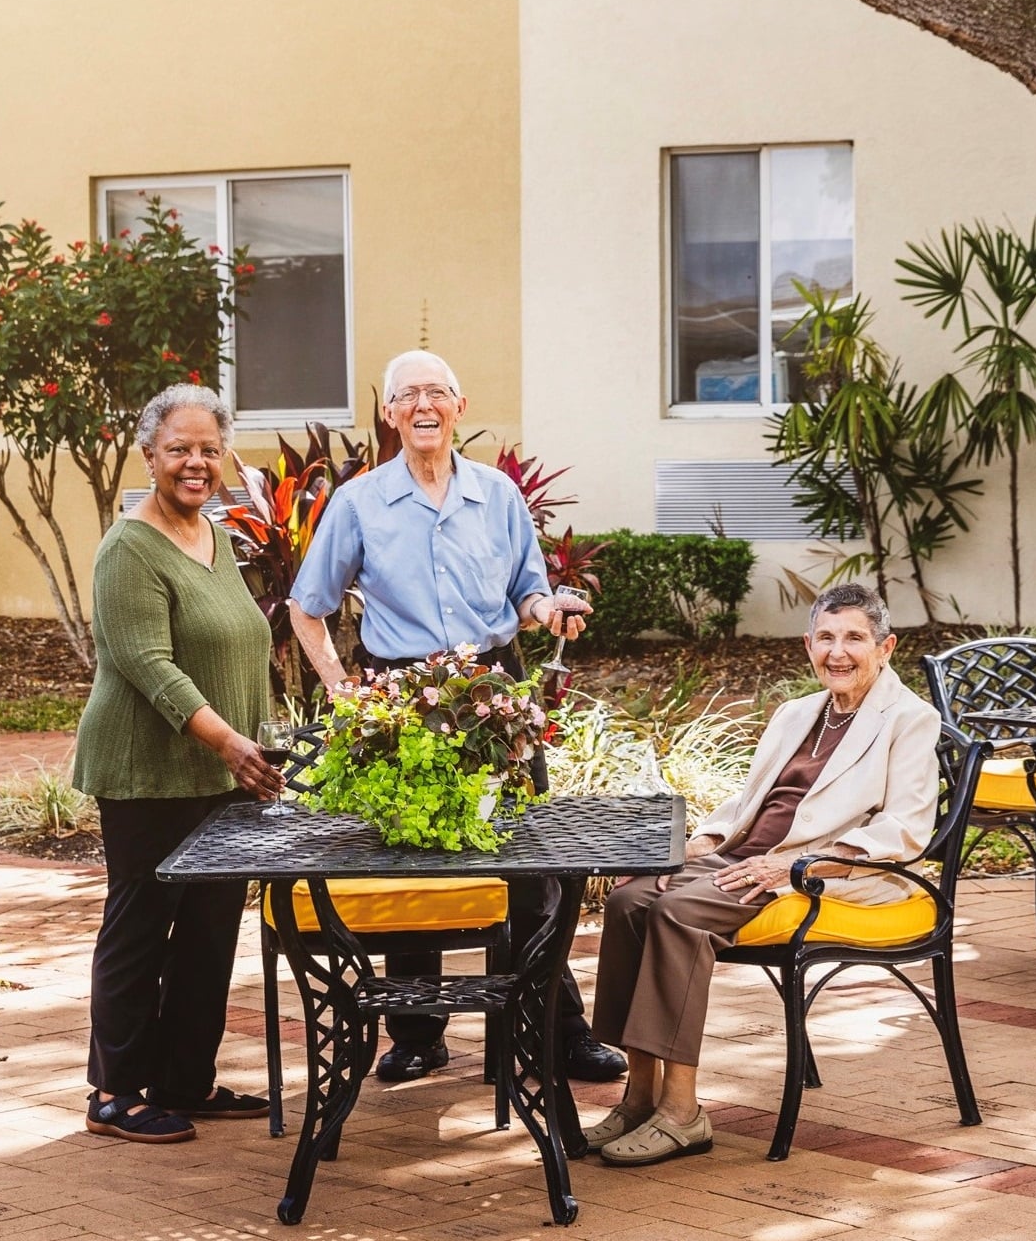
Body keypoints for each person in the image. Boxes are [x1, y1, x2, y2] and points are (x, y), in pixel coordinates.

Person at [284, 349, 621, 1086]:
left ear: (458, 407)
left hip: (494, 687)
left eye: (436, 392)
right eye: (407, 395)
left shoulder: (497, 495)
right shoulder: (359, 502)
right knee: (410, 854)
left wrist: (549, 609)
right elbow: (307, 608)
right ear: (389, 414)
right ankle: (415, 1035)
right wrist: (344, 692)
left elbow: (527, 593)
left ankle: (557, 1030)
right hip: (402, 695)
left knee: (527, 858)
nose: (423, 405)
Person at [587, 581, 941, 1167]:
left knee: (677, 913)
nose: (838, 652)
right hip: (744, 858)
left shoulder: (909, 718)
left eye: (854, 638)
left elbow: (904, 830)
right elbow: (747, 804)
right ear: (808, 645)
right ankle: (639, 1096)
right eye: (825, 637)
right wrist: (693, 847)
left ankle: (682, 1112)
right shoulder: (797, 713)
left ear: (886, 647)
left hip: (819, 873)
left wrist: (794, 865)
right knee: (630, 900)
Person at [71, 384, 284, 1143]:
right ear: (148, 457)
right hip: (148, 771)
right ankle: (114, 1093)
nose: (195, 463)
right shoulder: (128, 549)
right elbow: (149, 664)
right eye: (178, 449)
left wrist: (249, 744)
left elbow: (234, 643)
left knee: (208, 933)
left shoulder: (214, 536)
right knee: (140, 928)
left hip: (223, 773)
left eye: (208, 449)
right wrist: (228, 741)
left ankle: (185, 1080)